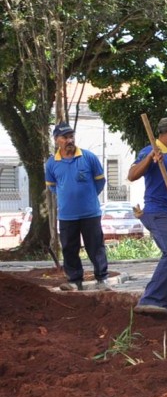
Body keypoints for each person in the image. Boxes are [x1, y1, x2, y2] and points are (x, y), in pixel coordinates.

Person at [127, 116, 167, 317]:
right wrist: (150, 159)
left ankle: (160, 303)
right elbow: (132, 175)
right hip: (157, 212)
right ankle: (150, 300)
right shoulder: (150, 151)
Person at [44, 121, 109, 291]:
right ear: (57, 140)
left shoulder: (89, 157)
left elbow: (100, 182)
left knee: (95, 246)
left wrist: (87, 198)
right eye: (65, 137)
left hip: (90, 213)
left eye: (71, 136)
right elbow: (52, 186)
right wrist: (68, 197)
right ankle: (74, 280)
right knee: (69, 248)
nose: (69, 140)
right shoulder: (51, 163)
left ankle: (102, 279)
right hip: (67, 215)